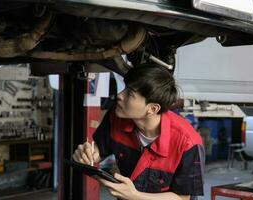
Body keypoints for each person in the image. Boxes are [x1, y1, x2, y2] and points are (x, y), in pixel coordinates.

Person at [73, 63, 205, 200]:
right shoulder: (116, 117)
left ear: (153, 109)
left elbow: (182, 197)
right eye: (124, 88)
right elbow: (100, 149)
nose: (119, 95)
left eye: (130, 94)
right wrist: (88, 154)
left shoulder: (188, 142)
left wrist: (135, 196)